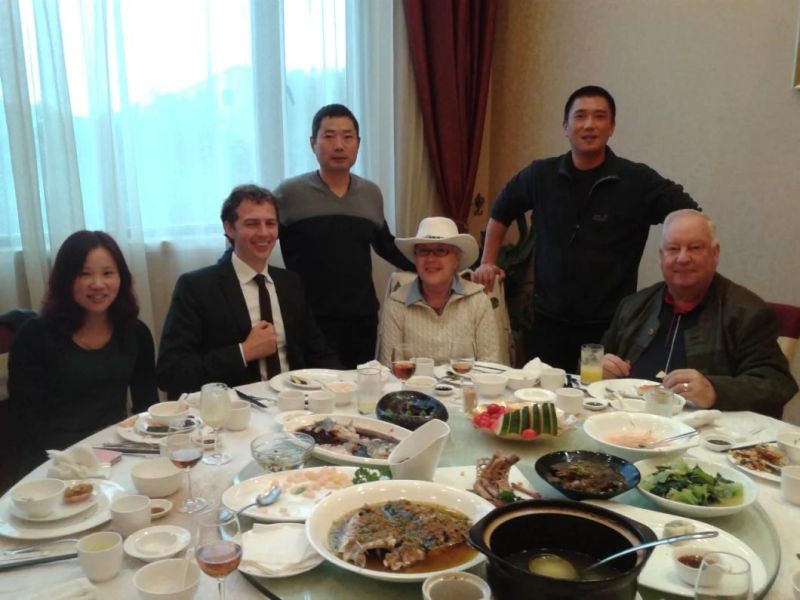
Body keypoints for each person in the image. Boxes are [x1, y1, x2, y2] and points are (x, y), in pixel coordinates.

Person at [473, 85, 698, 372]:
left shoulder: (636, 181)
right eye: (580, 116)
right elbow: (502, 210)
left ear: (612, 127)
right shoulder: (541, 175)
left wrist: (679, 260)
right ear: (566, 126)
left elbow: (687, 212)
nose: (589, 125)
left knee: (596, 399)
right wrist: (487, 262)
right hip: (547, 322)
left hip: (607, 328)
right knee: (544, 400)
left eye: (599, 116)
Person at [601, 209, 797, 417]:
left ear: (715, 254)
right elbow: (598, 358)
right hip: (629, 420)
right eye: (673, 249)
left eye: (694, 248)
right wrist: (600, 368)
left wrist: (715, 390)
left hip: (705, 432)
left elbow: (777, 383)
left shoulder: (747, 312)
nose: (683, 258)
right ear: (661, 256)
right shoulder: (634, 305)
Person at [157, 184, 341, 398]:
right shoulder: (197, 287)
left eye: (270, 223)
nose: (264, 233)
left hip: (296, 406)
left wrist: (346, 383)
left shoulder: (291, 283)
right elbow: (170, 373)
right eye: (252, 224)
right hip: (234, 414)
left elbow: (318, 352)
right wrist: (244, 351)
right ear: (229, 228)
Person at [275, 104, 414, 369]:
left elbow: (387, 245)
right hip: (308, 317)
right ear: (312, 143)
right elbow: (259, 238)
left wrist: (438, 266)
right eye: (328, 136)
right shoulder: (289, 193)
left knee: (357, 395)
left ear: (358, 144)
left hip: (360, 317)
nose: (339, 145)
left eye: (347, 137)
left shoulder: (370, 193)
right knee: (311, 396)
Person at [8, 230, 158, 473]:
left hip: (116, 453)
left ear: (121, 278)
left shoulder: (135, 332)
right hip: (55, 461)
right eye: (84, 274)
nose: (98, 284)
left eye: (108, 273)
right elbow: (27, 420)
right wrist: (77, 463)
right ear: (65, 280)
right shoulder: (35, 336)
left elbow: (146, 408)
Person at [378, 217, 501, 366]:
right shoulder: (397, 303)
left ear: (457, 259)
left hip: (467, 388)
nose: (431, 259)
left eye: (441, 250)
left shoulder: (478, 301)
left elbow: (490, 367)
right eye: (423, 251)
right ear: (415, 258)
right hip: (412, 388)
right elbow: (390, 369)